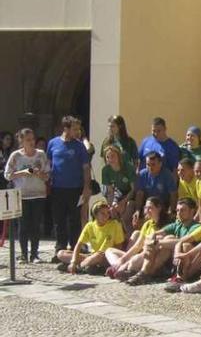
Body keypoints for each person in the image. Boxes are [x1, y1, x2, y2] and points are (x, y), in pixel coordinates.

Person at [126, 197, 201, 286]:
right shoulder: (177, 225)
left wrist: (157, 243)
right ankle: (145, 273)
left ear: (192, 211)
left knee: (170, 239)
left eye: (182, 210)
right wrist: (154, 239)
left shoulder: (197, 227)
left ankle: (145, 273)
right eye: (177, 210)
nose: (179, 213)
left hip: (189, 261)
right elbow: (156, 234)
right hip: (172, 259)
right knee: (161, 239)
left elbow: (182, 242)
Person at [47, 116, 92, 257]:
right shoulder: (53, 143)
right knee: (59, 220)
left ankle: (74, 248)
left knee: (75, 220)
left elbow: (86, 168)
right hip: (57, 188)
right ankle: (59, 248)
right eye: (75, 129)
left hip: (75, 188)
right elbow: (48, 164)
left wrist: (86, 187)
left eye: (78, 129)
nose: (77, 131)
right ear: (66, 128)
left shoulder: (79, 146)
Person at [4, 128, 50, 262]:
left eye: (33, 139)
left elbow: (47, 175)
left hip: (38, 194)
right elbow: (7, 175)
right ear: (22, 141)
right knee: (23, 226)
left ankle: (34, 254)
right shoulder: (16, 156)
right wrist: (24, 172)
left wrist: (39, 174)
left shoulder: (41, 154)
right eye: (28, 140)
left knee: (36, 225)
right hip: (22, 195)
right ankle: (24, 254)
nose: (31, 142)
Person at [105, 196, 171, 280]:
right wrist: (122, 259)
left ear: (159, 208)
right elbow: (137, 245)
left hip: (152, 256)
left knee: (134, 262)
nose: (147, 211)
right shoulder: (147, 224)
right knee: (109, 251)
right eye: (146, 208)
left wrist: (127, 261)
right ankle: (118, 267)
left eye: (150, 208)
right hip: (142, 254)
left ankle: (125, 270)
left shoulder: (166, 225)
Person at [55, 202, 124, 275]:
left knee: (98, 255)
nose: (106, 216)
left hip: (106, 257)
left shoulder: (115, 224)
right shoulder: (90, 226)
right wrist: (73, 261)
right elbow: (79, 244)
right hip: (92, 255)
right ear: (95, 215)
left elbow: (119, 245)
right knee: (61, 253)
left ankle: (79, 267)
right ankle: (88, 265)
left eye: (107, 213)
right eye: (102, 213)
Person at [101, 145, 137, 231]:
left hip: (131, 193)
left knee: (126, 215)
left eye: (113, 156)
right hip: (119, 192)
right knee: (113, 211)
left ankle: (129, 237)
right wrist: (111, 205)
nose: (110, 159)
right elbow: (110, 191)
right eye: (107, 157)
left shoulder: (128, 167)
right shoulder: (106, 170)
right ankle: (119, 235)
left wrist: (122, 203)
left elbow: (133, 189)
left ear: (118, 156)